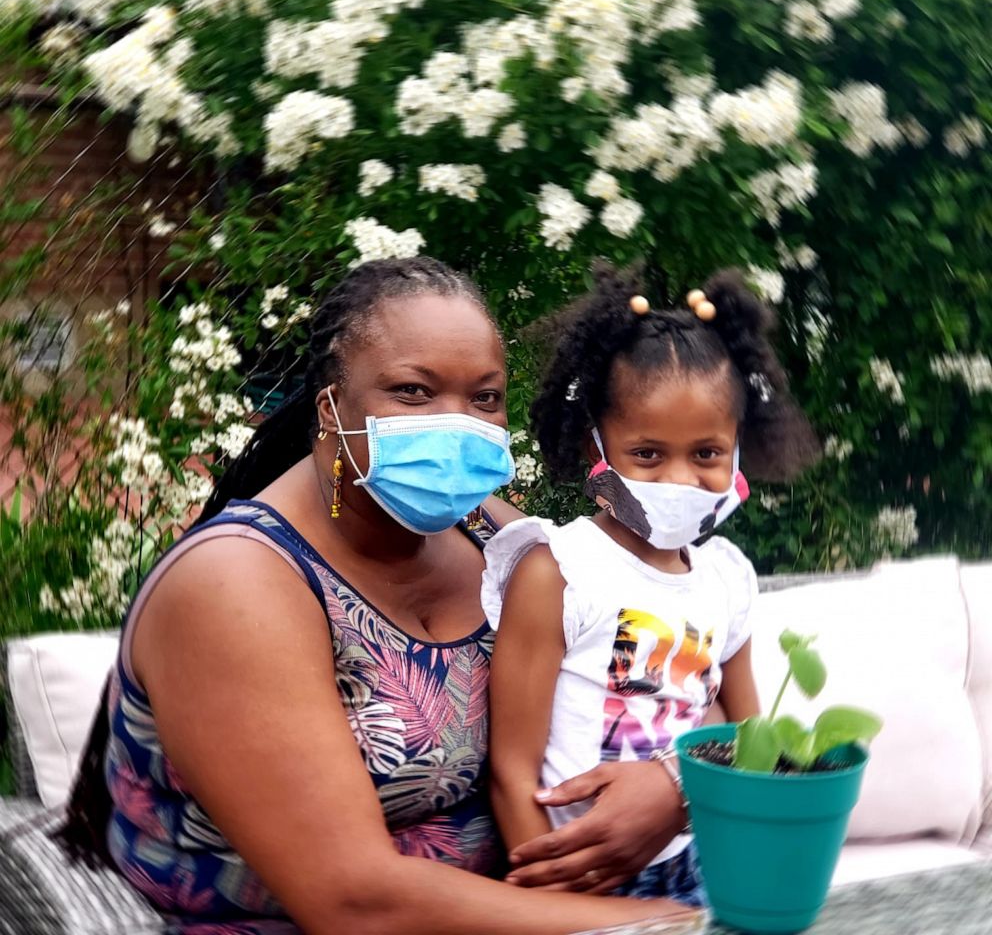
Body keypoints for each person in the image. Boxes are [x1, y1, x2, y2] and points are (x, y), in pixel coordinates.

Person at [58, 257, 701, 935]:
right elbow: (351, 901)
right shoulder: (236, 585)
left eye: (484, 398)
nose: (457, 425)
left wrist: (674, 781)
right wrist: (665, 923)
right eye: (414, 392)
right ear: (331, 408)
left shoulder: (493, 536)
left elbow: (682, 658)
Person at [482, 266, 819, 904]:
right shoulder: (556, 570)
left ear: (740, 450)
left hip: (699, 860)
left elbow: (746, 736)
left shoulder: (727, 579)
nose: (678, 480)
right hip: (578, 877)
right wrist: (552, 897)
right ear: (595, 448)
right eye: (646, 453)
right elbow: (510, 770)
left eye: (707, 453)